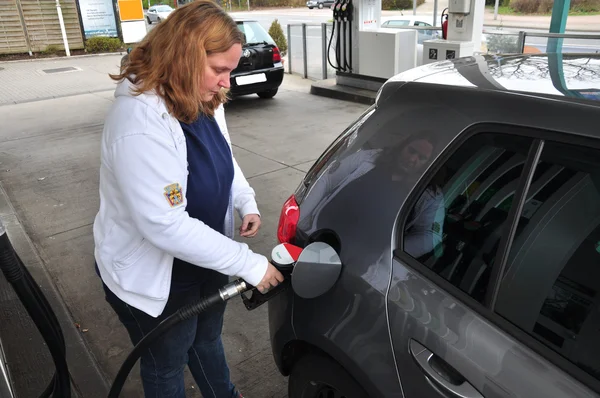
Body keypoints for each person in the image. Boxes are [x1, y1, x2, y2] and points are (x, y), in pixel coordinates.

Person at [92, 1, 284, 397]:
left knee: (207, 339)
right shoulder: (140, 122)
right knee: (168, 362)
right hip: (157, 277)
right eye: (220, 70)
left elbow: (222, 155)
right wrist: (250, 264)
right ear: (183, 56)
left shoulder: (199, 97)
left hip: (204, 260)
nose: (226, 82)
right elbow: (165, 223)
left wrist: (244, 199)